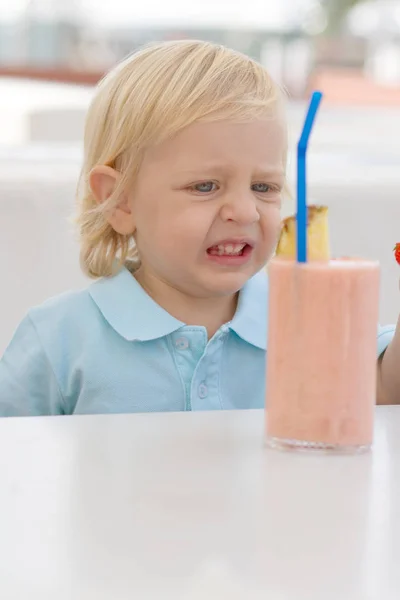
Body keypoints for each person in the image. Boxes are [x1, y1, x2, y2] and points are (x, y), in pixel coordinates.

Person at [0, 40, 397, 416]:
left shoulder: (305, 317)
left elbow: (383, 389)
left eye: (264, 187)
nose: (245, 212)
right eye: (205, 186)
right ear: (120, 200)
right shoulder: (58, 341)